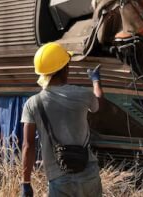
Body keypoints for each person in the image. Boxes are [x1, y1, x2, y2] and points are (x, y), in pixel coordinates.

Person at [20, 42, 103, 197]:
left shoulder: (33, 103)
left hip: (58, 178)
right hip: (88, 174)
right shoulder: (83, 95)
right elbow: (98, 102)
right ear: (66, 68)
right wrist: (95, 80)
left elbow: (28, 145)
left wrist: (26, 183)